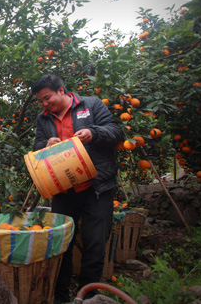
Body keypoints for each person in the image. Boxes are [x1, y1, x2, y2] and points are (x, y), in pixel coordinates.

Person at [31, 74, 123, 303]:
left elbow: (116, 131)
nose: (44, 104)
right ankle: (61, 296)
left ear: (61, 91)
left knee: (94, 243)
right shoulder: (43, 119)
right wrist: (46, 144)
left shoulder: (91, 105)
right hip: (63, 189)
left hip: (97, 187)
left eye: (47, 97)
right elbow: (37, 147)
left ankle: (89, 295)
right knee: (63, 245)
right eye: (41, 100)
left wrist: (93, 133)